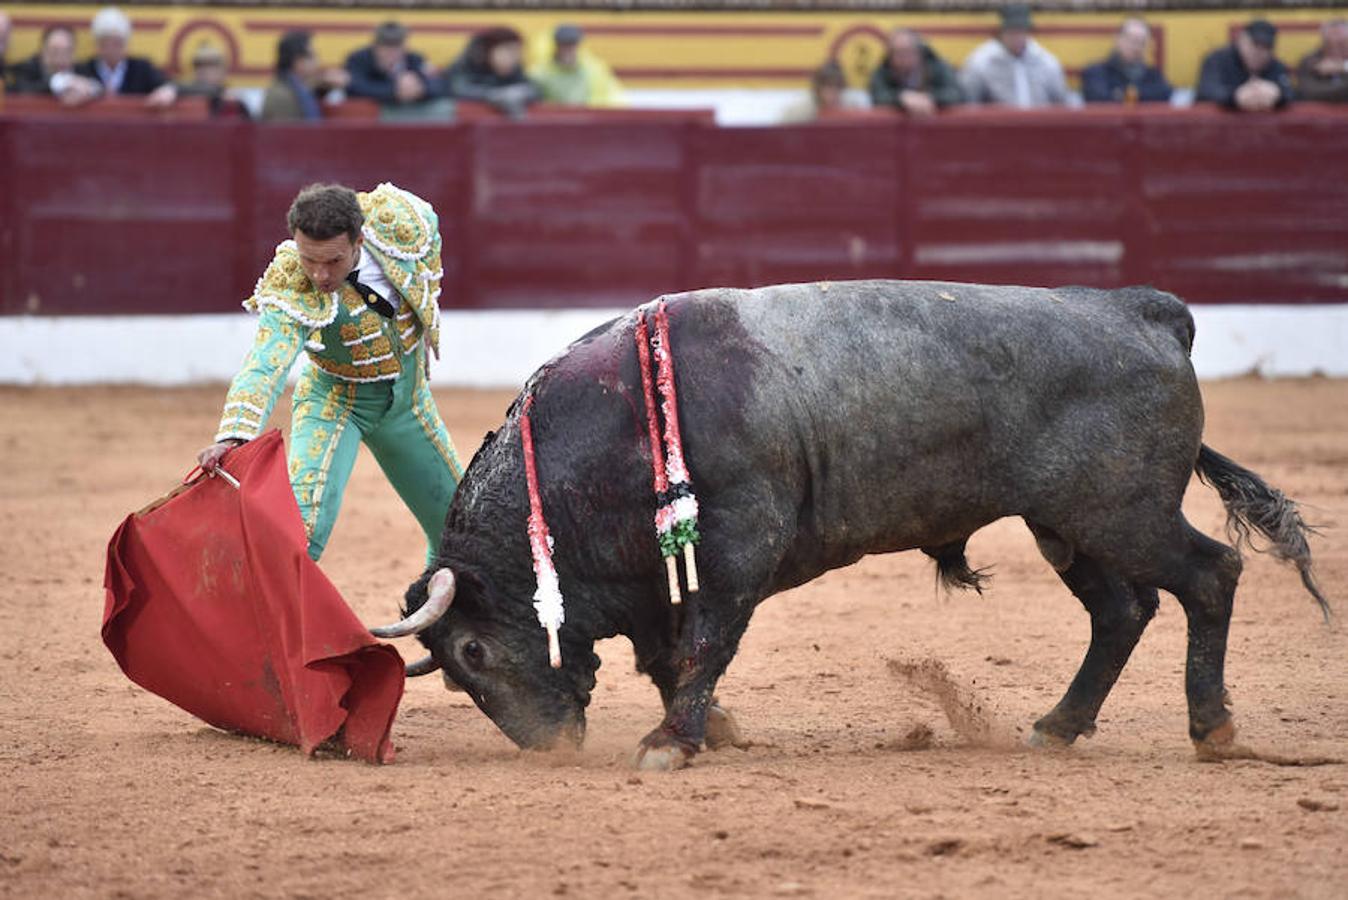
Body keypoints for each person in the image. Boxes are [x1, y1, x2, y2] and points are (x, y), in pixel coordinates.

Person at [197, 183, 463, 563]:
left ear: (359, 240)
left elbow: (429, 234)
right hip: (335, 403)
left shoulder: (399, 222)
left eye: (333, 261)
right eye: (309, 259)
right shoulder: (291, 279)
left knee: (460, 530)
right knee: (301, 534)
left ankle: (445, 602)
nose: (320, 275)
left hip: (408, 403)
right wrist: (235, 434)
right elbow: (267, 359)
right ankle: (251, 604)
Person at [960, 4, 1068, 108]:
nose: (1018, 37)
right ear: (1001, 31)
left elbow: (1062, 103)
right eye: (1012, 31)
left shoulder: (1046, 61)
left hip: (1039, 119)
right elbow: (968, 104)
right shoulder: (980, 62)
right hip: (998, 119)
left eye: (1022, 31)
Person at [73, 6, 176, 107]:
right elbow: (64, 81)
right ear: (97, 45)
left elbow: (172, 85)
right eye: (105, 43)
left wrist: (167, 91)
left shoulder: (142, 69)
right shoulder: (84, 70)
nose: (111, 49)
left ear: (126, 45)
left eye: (117, 43)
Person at [1195, 19, 1293, 112]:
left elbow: (1291, 94)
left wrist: (1277, 94)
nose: (1259, 52)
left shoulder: (1276, 66)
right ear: (1242, 40)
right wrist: (1235, 96)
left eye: (1266, 47)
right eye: (1255, 44)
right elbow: (1206, 91)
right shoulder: (1217, 60)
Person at [443, 27, 538, 117]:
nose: (515, 57)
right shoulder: (465, 67)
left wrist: (520, 93)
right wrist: (495, 95)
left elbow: (532, 89)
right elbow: (459, 90)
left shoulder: (515, 69)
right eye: (509, 51)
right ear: (486, 51)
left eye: (518, 52)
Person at [344, 20, 442, 108]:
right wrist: (394, 90)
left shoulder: (414, 59)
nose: (391, 52)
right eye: (386, 46)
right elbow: (353, 87)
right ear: (375, 46)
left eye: (396, 46)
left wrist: (420, 89)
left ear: (405, 46)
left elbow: (438, 86)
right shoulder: (359, 59)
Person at [868, 27, 963, 115]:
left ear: (919, 52)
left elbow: (956, 94)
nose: (902, 58)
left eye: (907, 51)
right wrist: (901, 98)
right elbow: (877, 96)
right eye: (896, 53)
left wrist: (929, 98)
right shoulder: (883, 71)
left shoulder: (937, 66)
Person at [260, 30, 349, 122]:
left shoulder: (293, 86)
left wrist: (326, 85)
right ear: (298, 61)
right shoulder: (281, 97)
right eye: (312, 56)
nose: (317, 62)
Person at [528, 24, 624, 107]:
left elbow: (611, 96)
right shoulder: (540, 73)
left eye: (572, 44)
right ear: (555, 46)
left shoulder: (593, 69)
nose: (568, 49)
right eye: (563, 44)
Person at [1081, 18, 1173, 104]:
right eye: (1132, 40)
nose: (1136, 47)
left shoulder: (1153, 75)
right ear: (1118, 39)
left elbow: (1165, 94)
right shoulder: (1096, 72)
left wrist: (1122, 94)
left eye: (1142, 42)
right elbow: (1098, 96)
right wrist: (1140, 96)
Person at [9, 24, 102, 103]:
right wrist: (61, 83)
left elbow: (101, 85)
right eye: (54, 52)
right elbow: (22, 89)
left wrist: (88, 88)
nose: (60, 59)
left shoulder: (83, 68)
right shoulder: (26, 69)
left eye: (66, 52)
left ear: (74, 53)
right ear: (43, 51)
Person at [175, 42, 249, 117]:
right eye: (200, 66)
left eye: (212, 67)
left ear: (222, 71)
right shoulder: (183, 93)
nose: (205, 72)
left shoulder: (234, 99)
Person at [781, 61, 865, 122]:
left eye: (837, 87)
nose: (833, 92)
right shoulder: (799, 112)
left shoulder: (851, 107)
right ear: (818, 89)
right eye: (828, 86)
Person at [1295, 19, 1348, 103]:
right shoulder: (1309, 61)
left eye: (1341, 43)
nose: (1335, 48)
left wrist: (1344, 67)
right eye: (1329, 43)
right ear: (1323, 42)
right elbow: (1308, 92)